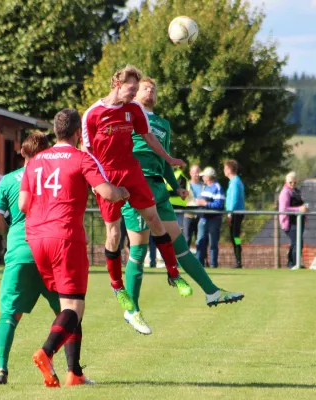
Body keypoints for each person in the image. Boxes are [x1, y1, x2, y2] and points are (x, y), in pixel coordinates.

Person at [120, 77, 244, 334]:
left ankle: (211, 292)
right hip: (136, 184)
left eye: (154, 88)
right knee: (139, 249)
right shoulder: (128, 115)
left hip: (158, 189)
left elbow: (163, 160)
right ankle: (132, 309)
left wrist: (174, 185)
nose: (150, 90)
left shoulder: (163, 124)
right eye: (145, 87)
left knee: (180, 246)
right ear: (134, 93)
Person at [19, 109, 128, 387]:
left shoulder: (35, 161)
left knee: (67, 305)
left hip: (35, 237)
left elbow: (22, 204)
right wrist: (124, 191)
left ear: (55, 131)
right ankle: (46, 352)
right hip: (65, 237)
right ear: (79, 133)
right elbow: (106, 192)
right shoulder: (81, 158)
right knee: (75, 307)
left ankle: (74, 373)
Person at [82, 65, 191, 310]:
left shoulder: (134, 110)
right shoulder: (92, 114)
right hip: (107, 177)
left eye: (136, 90)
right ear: (117, 83)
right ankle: (118, 287)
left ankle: (174, 274)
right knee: (114, 234)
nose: (133, 95)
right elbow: (86, 152)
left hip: (131, 171)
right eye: (131, 89)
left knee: (154, 220)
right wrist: (97, 183)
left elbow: (150, 138)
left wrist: (170, 159)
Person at [0, 133, 74, 385]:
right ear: (47, 153)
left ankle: (1, 369)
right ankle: (71, 369)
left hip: (20, 253)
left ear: (22, 153)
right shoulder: (54, 179)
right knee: (67, 312)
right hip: (51, 252)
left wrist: (8, 234)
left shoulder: (7, 181)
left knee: (9, 315)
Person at [195, 167, 225, 268]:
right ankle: (199, 264)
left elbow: (219, 204)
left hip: (214, 219)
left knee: (213, 242)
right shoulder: (205, 187)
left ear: (208, 177)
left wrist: (205, 203)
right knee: (200, 241)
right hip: (203, 218)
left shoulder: (217, 187)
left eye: (204, 176)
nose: (202, 178)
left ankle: (213, 264)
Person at [278, 172, 308, 269]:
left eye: (295, 182)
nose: (292, 185)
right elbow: (284, 209)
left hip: (299, 221)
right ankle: (295, 263)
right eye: (290, 182)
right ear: (286, 182)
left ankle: (291, 263)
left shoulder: (297, 191)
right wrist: (299, 209)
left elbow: (301, 204)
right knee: (297, 242)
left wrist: (305, 215)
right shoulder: (285, 193)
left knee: (297, 242)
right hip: (289, 222)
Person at [224, 160, 245, 269]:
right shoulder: (234, 181)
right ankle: (238, 259)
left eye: (225, 168)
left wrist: (229, 213)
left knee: (235, 236)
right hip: (235, 213)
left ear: (228, 169)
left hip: (236, 213)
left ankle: (238, 260)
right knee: (234, 236)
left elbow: (234, 199)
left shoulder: (235, 182)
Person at [183, 164, 202, 247]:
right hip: (188, 216)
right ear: (190, 173)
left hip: (201, 216)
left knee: (201, 240)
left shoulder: (204, 186)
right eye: (194, 172)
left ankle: (201, 259)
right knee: (186, 239)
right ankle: (185, 260)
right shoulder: (186, 184)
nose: (196, 174)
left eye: (198, 172)